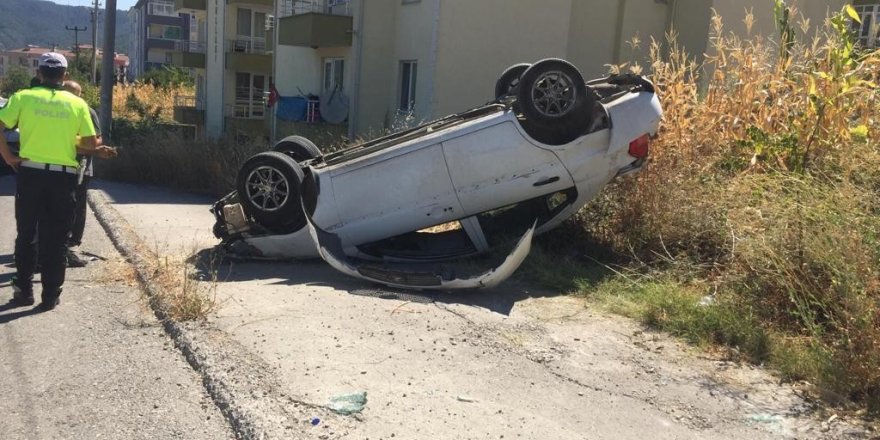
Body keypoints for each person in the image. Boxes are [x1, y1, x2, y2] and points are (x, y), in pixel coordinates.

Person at [0, 52, 116, 310]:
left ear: (39, 73)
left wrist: (8, 156)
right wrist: (68, 140)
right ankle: (50, 295)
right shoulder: (77, 104)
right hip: (63, 177)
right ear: (64, 77)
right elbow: (89, 143)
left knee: (27, 234)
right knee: (57, 237)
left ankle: (24, 291)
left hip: (30, 173)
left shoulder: (23, 97)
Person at [62, 80, 107, 268]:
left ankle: (73, 242)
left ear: (80, 95)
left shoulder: (87, 111)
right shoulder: (61, 110)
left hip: (81, 166)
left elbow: (97, 139)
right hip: (62, 165)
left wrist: (74, 143)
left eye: (73, 94)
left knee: (77, 204)